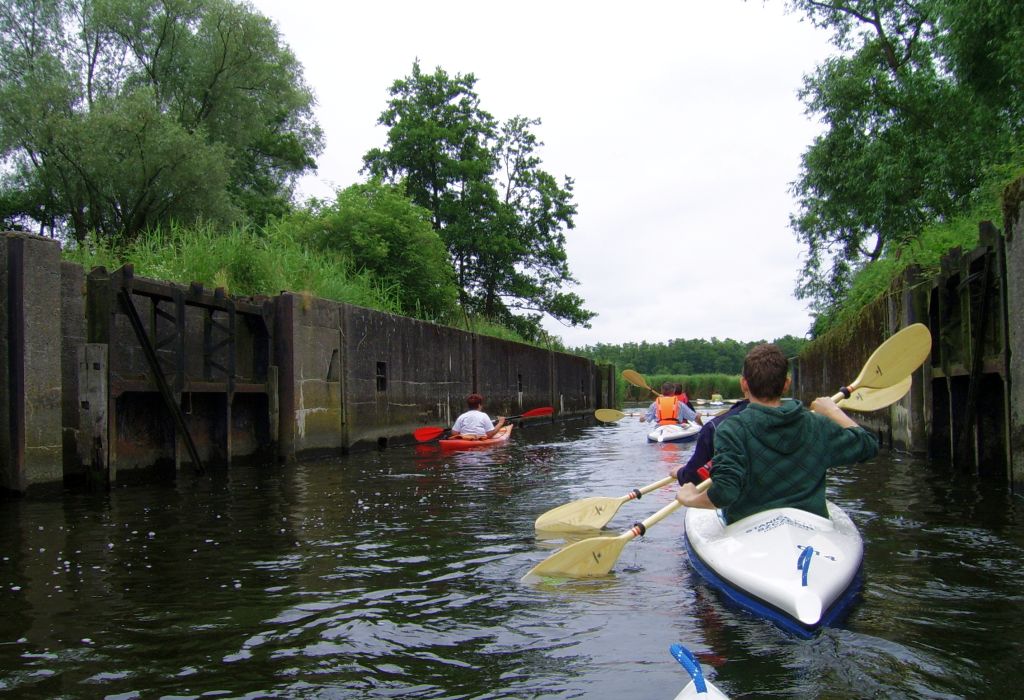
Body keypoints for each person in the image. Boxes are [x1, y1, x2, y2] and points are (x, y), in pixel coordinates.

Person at [675, 343, 878, 524]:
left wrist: (691, 498)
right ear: (786, 384)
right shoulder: (817, 424)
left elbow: (725, 493)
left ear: (744, 384)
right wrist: (833, 411)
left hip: (748, 527)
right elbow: (868, 445)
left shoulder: (731, 430)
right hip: (811, 526)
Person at [670, 396, 749, 486]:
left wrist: (681, 473)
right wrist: (700, 422)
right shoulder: (680, 404)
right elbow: (695, 417)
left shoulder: (713, 427)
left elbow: (692, 476)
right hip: (678, 428)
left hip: (662, 428)